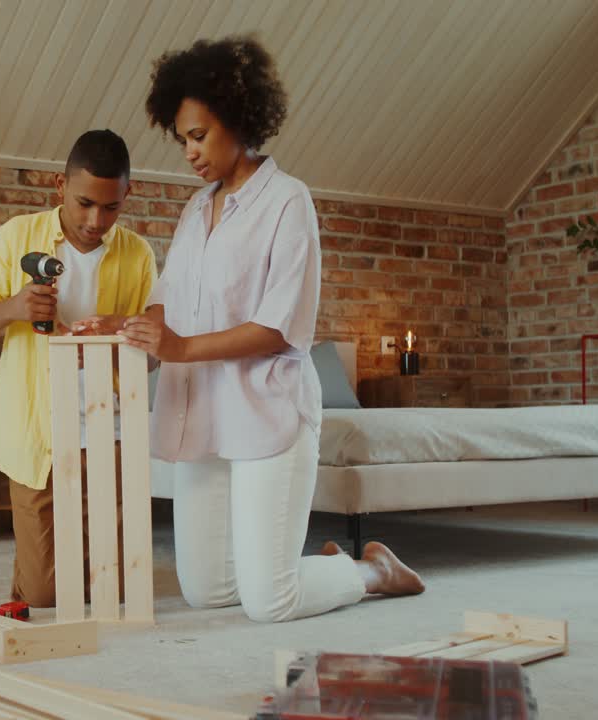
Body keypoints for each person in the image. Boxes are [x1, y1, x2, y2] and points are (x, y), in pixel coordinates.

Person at [111, 35, 423, 622]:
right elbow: (167, 301)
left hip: (266, 412)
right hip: (202, 413)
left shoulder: (288, 201)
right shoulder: (194, 210)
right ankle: (314, 567)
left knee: (269, 603)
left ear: (238, 117)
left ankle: (370, 569)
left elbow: (280, 328)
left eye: (198, 136)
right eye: (182, 140)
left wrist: (180, 346)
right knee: (206, 591)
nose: (190, 153)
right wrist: (133, 329)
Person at [0, 129, 157, 607]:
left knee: (115, 591)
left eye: (110, 208)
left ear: (128, 194)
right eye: (84, 202)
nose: (95, 220)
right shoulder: (17, 235)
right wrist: (14, 308)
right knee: (47, 597)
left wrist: (122, 326)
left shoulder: (137, 254)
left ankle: (52, 561)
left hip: (106, 429)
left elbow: (151, 357)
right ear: (59, 186)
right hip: (36, 432)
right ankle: (34, 568)